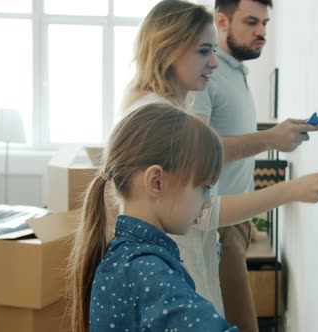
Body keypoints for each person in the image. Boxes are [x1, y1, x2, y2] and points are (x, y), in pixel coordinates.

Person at [120, 0, 318, 318]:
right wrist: (290, 190)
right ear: (168, 50)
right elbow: (202, 214)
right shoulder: (160, 118)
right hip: (185, 254)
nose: (213, 63)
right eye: (203, 52)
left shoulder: (172, 108)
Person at [67, 103, 238, 332]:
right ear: (156, 181)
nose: (207, 202)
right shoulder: (146, 271)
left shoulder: (126, 258)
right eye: (204, 188)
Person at [191, 1, 306, 330]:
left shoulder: (235, 71)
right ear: (222, 21)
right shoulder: (206, 76)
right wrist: (271, 139)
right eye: (252, 22)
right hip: (216, 225)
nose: (262, 32)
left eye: (266, 23)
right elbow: (199, 153)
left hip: (236, 223)